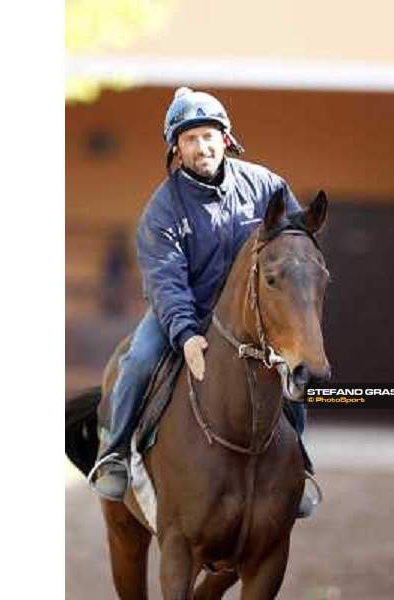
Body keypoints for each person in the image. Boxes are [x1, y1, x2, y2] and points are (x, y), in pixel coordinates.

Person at [90, 87, 311, 513]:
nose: (201, 146)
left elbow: (292, 244)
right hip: (184, 311)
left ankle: (298, 462)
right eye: (189, 139)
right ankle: (114, 454)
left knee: (292, 370)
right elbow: (164, 279)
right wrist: (187, 335)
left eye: (208, 135)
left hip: (250, 315)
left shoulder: (266, 185)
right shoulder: (163, 208)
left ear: (225, 139)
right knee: (136, 362)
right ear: (176, 148)